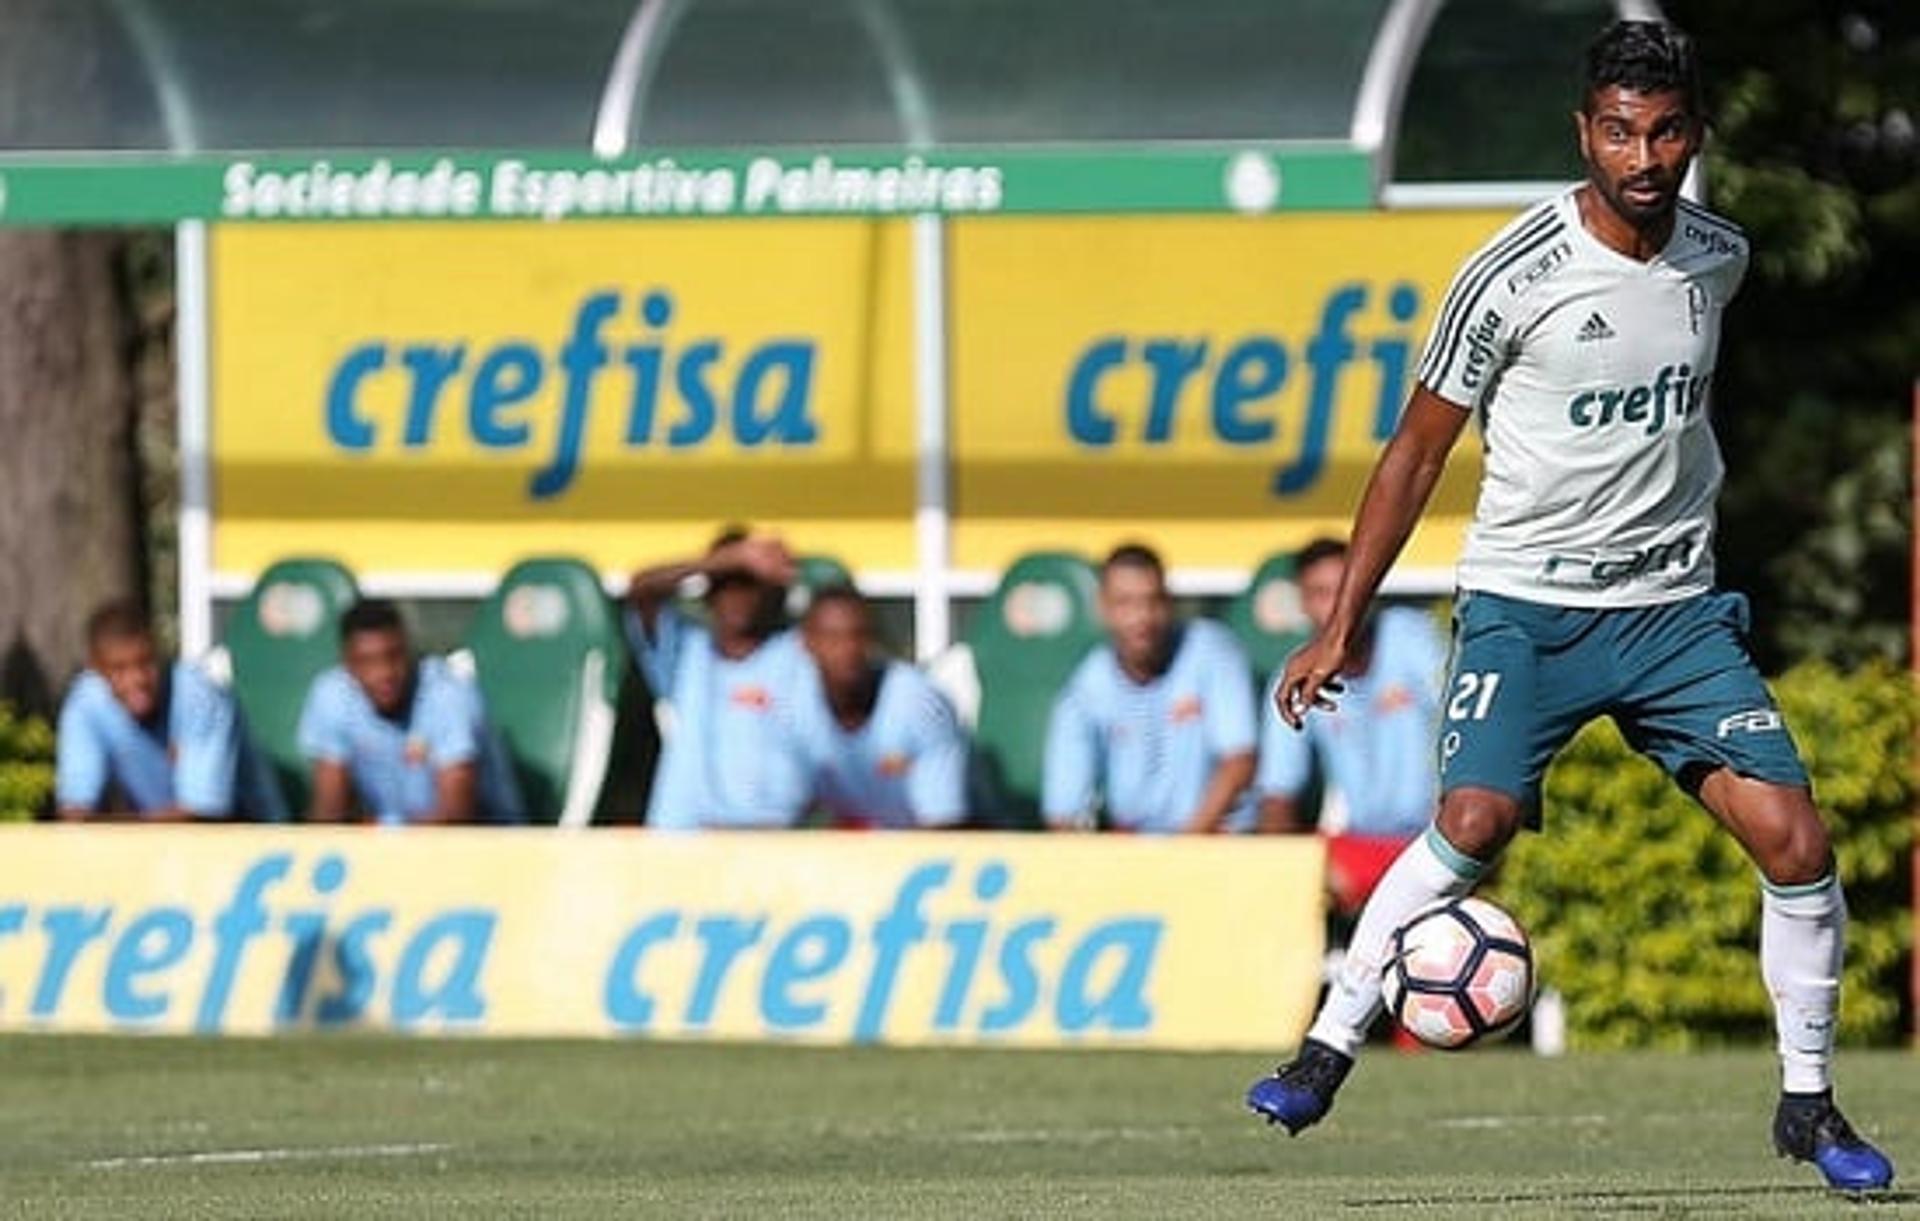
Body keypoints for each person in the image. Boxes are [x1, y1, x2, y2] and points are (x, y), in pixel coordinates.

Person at [1244, 20, 1893, 1191]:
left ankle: (1810, 1107)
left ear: (1694, 133)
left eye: (1664, 132)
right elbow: (1413, 455)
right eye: (1616, 131)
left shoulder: (1719, 256)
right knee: (1477, 822)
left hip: (1675, 619)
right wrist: (1341, 622)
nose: (1641, 157)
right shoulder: (1509, 275)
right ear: (1582, 132)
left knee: (1797, 843)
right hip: (1526, 612)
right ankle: (1327, 1048)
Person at [1257, 538, 1447, 919]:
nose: (1336, 606)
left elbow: (1469, 729)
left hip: (1437, 844)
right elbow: (1277, 796)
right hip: (1357, 852)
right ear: (1303, 602)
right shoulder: (1293, 676)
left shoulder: (1413, 638)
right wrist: (1307, 872)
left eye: (1345, 589)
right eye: (1321, 593)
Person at [1043, 544, 1257, 834]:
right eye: (1125, 603)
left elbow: (1239, 762)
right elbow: (1063, 812)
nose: (1142, 617)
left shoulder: (1211, 651)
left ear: (1169, 603)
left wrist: (1183, 849)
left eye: (1152, 601)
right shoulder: (1086, 686)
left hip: (1218, 841)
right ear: (1103, 608)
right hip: (1133, 848)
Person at [625, 527, 813, 830]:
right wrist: (725, 561)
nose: (738, 597)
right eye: (726, 584)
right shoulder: (685, 650)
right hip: (680, 839)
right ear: (709, 593)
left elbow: (842, 616)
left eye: (749, 585)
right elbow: (641, 590)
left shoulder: (795, 653)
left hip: (765, 841)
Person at [297, 599, 524, 826]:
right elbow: (328, 814)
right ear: (348, 664)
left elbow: (456, 819)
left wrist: (380, 834)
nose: (384, 673)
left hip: (489, 847)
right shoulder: (331, 694)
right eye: (368, 661)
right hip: (397, 846)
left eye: (393, 655)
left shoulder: (448, 695)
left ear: (408, 650)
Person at [55, 599, 283, 822]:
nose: (137, 679)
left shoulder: (198, 695)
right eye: (119, 669)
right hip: (159, 844)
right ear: (97, 669)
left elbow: (201, 815)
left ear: (160, 653)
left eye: (146, 663)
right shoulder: (85, 704)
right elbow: (75, 811)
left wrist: (113, 830)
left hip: (254, 839)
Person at [791, 585, 967, 829]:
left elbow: (944, 826)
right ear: (806, 643)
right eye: (832, 637)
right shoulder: (789, 707)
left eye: (858, 635)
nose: (848, 649)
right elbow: (774, 813)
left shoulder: (918, 703)